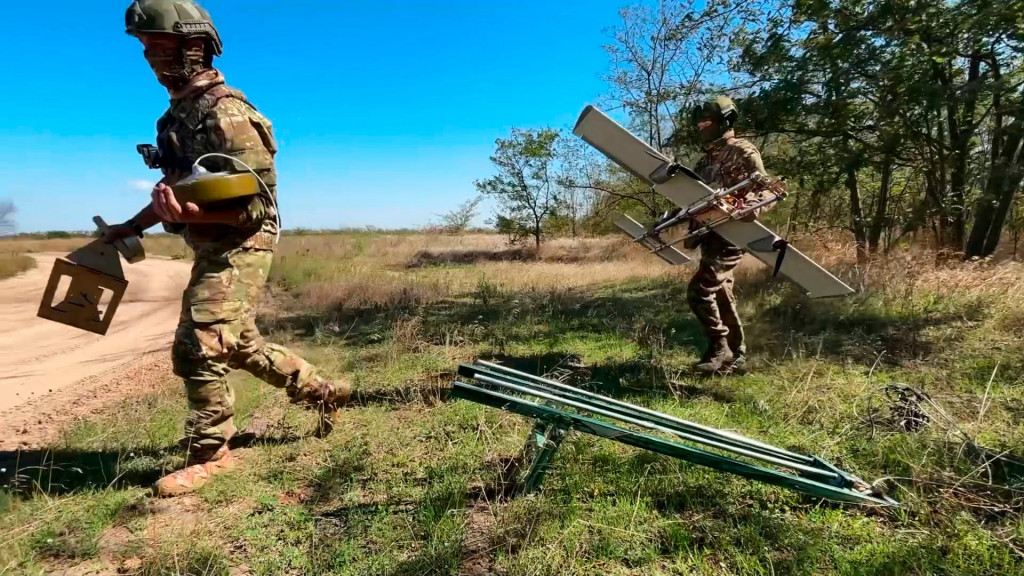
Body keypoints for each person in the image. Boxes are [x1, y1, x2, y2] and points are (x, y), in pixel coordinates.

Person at [104, 0, 350, 497]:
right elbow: (180, 191)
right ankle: (321, 390)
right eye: (145, 47)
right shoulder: (174, 118)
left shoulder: (227, 114)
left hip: (243, 242)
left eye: (159, 45)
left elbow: (254, 210)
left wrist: (188, 216)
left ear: (195, 46)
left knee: (200, 341)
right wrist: (132, 225)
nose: (151, 56)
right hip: (212, 243)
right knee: (238, 343)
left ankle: (210, 454)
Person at [680, 96, 769, 375]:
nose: (701, 126)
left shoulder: (742, 150)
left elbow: (767, 190)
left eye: (706, 121)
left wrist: (750, 208)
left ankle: (719, 347)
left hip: (731, 235)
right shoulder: (703, 162)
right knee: (721, 294)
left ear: (724, 121)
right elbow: (694, 201)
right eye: (699, 122)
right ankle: (737, 355)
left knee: (699, 291)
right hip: (709, 235)